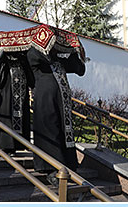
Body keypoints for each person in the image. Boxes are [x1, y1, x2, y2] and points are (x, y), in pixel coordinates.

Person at [26, 36, 86, 177]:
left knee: (64, 133)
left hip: (62, 103)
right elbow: (37, 56)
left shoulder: (59, 59)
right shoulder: (34, 55)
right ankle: (51, 169)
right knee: (50, 132)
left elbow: (79, 69)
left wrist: (74, 50)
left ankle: (68, 164)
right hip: (46, 103)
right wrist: (47, 44)